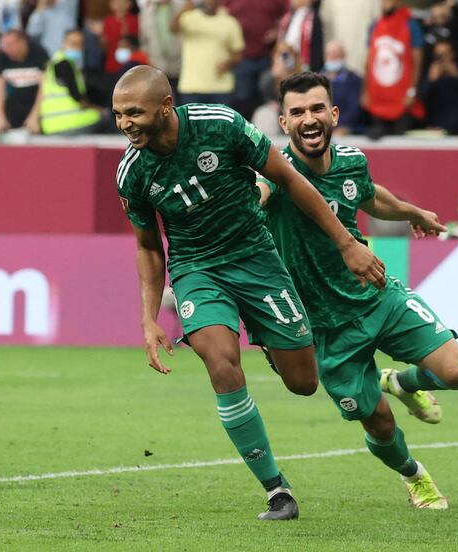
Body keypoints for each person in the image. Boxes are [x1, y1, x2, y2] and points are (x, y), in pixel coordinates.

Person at [112, 65, 384, 520]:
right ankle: (277, 490)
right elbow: (147, 247)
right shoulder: (132, 173)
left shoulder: (221, 125)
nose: (124, 124)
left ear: (165, 107)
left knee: (303, 382)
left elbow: (292, 179)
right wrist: (148, 319)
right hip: (197, 269)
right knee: (221, 362)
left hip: (256, 257)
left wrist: (347, 242)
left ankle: (273, 343)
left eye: (134, 113)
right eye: (118, 114)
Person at [256, 72, 458, 510]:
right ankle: (415, 476)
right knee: (378, 423)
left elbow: (370, 196)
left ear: (334, 114)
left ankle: (400, 380)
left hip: (376, 296)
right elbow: (253, 197)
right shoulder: (276, 174)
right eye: (297, 112)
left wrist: (416, 212)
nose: (309, 119)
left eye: (317, 108)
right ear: (283, 122)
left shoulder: (352, 159)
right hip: (325, 329)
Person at [362, 0, 425, 139]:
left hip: (402, 99)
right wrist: (365, 90)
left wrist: (412, 90)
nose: (384, 3)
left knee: (400, 143)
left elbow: (417, 61)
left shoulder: (411, 24)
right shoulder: (375, 25)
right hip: (378, 97)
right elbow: (369, 60)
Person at [169, 0, 243, 105]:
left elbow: (238, 54)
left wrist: (228, 63)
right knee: (191, 122)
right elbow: (172, 29)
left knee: (220, 122)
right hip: (191, 87)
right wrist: (182, 11)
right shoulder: (189, 18)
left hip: (221, 88)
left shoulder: (230, 22)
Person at [40, 29, 107, 135]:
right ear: (63, 43)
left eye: (80, 44)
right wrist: (99, 109)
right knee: (106, 119)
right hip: (70, 122)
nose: (78, 47)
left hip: (50, 124)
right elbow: (77, 98)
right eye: (73, 43)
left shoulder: (53, 63)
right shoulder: (64, 64)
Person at [0, 29, 49, 133]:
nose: (8, 50)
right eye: (5, 46)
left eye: (11, 45)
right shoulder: (4, 56)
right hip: (13, 109)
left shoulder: (39, 53)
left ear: (23, 42)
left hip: (36, 108)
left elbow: (44, 86)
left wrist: (35, 116)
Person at [420, 39, 458, 134]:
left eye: (445, 54)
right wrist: (430, 81)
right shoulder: (429, 73)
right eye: (438, 56)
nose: (442, 59)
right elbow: (422, 98)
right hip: (435, 126)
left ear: (452, 54)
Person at [322, 39, 363, 135]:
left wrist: (341, 126)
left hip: (346, 131)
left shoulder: (354, 80)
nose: (333, 57)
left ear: (344, 55)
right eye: (330, 54)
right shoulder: (315, 79)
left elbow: (354, 108)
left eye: (337, 55)